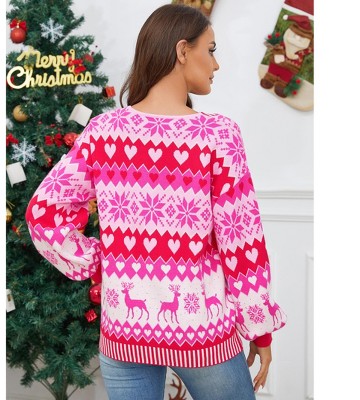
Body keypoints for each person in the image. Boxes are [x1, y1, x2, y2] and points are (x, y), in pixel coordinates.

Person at [25, 4, 287, 399]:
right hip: (200, 332)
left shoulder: (103, 132)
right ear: (182, 51)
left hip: (124, 330)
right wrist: (260, 331)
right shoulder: (217, 135)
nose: (216, 64)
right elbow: (242, 241)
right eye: (211, 50)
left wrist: (101, 262)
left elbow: (43, 214)